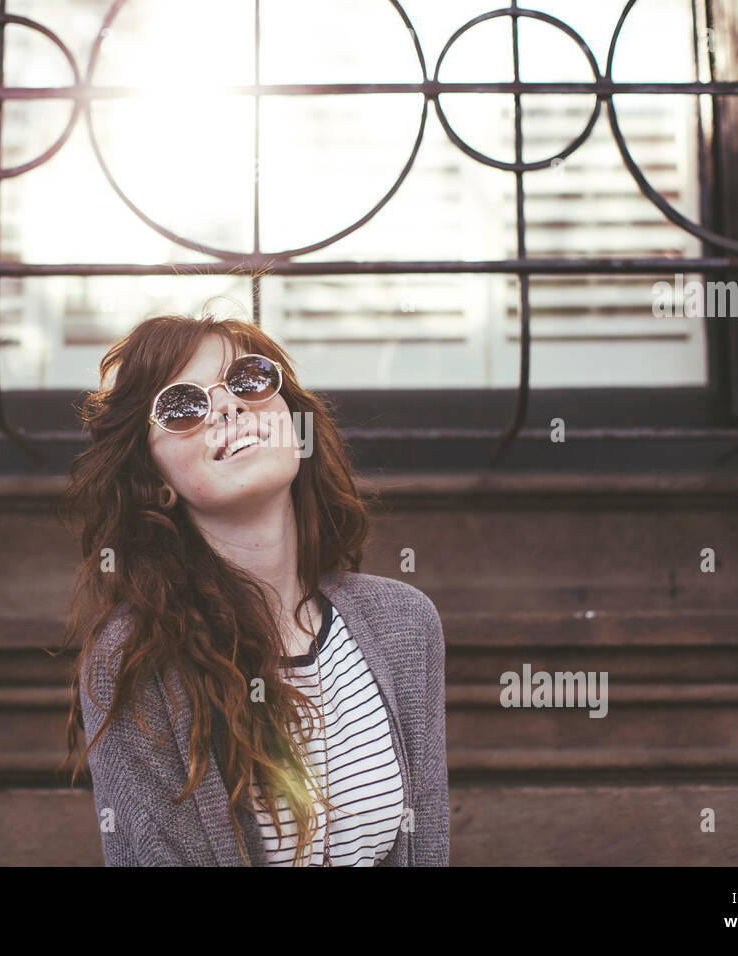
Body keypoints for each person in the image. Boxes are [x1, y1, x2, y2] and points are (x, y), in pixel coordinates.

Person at [62, 306, 448, 866]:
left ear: (293, 420)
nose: (227, 405)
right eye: (182, 406)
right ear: (157, 482)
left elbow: (428, 849)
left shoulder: (403, 624)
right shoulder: (134, 658)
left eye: (249, 379)